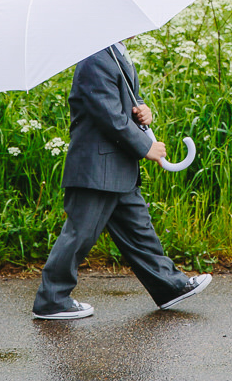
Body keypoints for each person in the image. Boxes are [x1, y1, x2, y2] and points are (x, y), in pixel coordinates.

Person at [31, 42, 213, 319]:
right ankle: (52, 300)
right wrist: (145, 147)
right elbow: (109, 117)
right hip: (97, 168)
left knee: (139, 230)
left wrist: (142, 110)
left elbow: (123, 105)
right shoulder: (94, 59)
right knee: (79, 233)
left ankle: (169, 287)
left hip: (116, 166)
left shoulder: (113, 54)